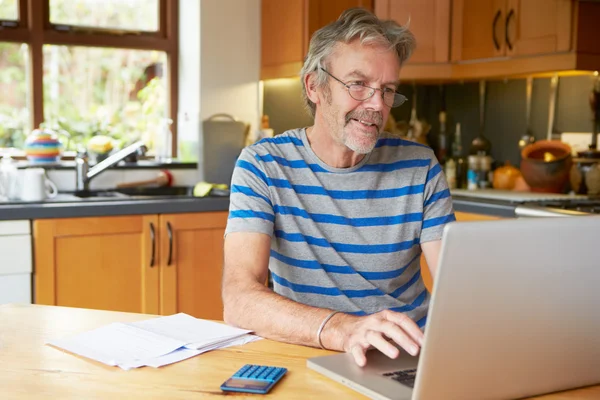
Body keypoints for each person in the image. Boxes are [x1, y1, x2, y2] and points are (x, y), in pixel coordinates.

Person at [222, 7, 455, 367]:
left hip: (402, 360)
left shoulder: (419, 166)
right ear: (315, 86)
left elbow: (457, 291)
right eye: (358, 84)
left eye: (388, 90)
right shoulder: (263, 165)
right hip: (305, 351)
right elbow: (238, 299)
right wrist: (343, 330)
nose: (376, 105)